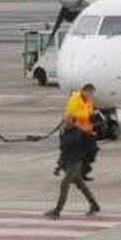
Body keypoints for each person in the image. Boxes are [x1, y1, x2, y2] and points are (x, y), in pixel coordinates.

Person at [45, 83, 100, 218]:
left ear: (73, 121)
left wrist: (85, 162)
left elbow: (87, 148)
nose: (65, 120)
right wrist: (59, 165)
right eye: (65, 119)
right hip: (68, 162)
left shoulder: (78, 134)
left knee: (64, 185)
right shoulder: (65, 133)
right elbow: (63, 150)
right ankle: (94, 205)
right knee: (81, 185)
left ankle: (57, 211)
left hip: (75, 163)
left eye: (67, 119)